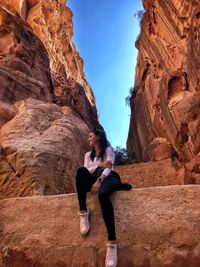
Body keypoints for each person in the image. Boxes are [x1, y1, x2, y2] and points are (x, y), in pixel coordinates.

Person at [76, 128, 123, 267]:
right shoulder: (87, 155)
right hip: (95, 178)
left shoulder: (108, 149)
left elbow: (109, 168)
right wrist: (99, 165)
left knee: (103, 194)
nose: (88, 138)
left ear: (98, 137)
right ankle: (83, 212)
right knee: (80, 171)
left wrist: (99, 180)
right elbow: (86, 170)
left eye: (90, 136)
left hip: (109, 178)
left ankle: (112, 243)